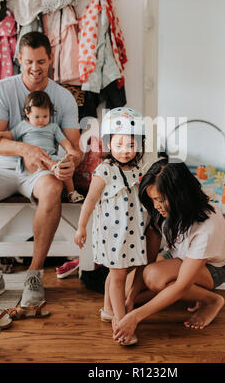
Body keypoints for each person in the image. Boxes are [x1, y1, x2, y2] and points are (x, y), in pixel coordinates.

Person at [0, 31, 82, 311]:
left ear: (50, 59)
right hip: (1, 168)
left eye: (41, 61)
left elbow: (73, 148)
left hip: (41, 172)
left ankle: (34, 276)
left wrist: (69, 164)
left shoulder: (63, 97)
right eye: (29, 62)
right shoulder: (1, 89)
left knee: (52, 189)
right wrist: (26, 150)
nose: (35, 68)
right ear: (18, 59)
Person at [113, 158, 225, 345]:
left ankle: (212, 300)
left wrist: (135, 317)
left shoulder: (206, 227)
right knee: (129, 287)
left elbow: (181, 285)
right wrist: (131, 299)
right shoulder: (160, 213)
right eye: (152, 199)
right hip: (179, 256)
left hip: (212, 267)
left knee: (153, 277)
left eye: (160, 200)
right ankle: (148, 295)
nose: (156, 206)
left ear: (180, 195)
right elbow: (147, 259)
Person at [74, 107, 147, 345]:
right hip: (111, 234)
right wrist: (81, 227)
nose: (125, 150)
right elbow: (90, 202)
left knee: (120, 273)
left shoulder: (138, 169)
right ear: (108, 145)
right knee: (117, 277)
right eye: (119, 144)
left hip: (131, 232)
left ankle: (107, 309)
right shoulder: (104, 170)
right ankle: (120, 319)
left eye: (130, 144)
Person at [0, 90, 84, 203]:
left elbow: (63, 141)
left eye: (45, 116)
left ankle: (71, 192)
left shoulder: (53, 127)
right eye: (37, 116)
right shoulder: (23, 126)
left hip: (50, 158)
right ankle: (54, 167)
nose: (41, 120)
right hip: (31, 160)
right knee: (49, 164)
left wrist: (71, 150)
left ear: (50, 113)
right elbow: (11, 134)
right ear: (27, 113)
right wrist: (1, 134)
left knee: (65, 167)